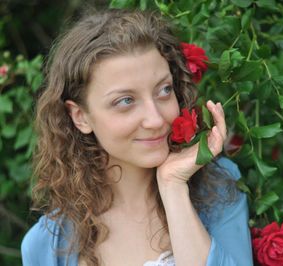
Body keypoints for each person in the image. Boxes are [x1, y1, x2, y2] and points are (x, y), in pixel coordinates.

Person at [21, 9, 252, 266]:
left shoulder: (219, 189)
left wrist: (173, 187)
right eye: (126, 101)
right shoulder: (46, 246)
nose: (155, 119)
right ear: (80, 117)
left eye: (164, 90)